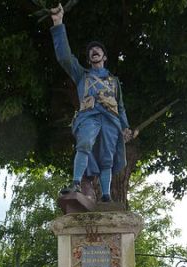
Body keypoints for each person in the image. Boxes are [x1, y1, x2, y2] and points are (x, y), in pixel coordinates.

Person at [50, 3, 134, 202]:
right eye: (91, 50)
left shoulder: (114, 82)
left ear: (104, 56)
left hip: (111, 122)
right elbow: (64, 57)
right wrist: (58, 22)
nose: (94, 51)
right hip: (88, 116)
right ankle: (76, 183)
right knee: (84, 143)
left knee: (107, 159)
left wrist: (126, 127)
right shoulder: (82, 75)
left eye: (98, 49)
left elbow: (120, 108)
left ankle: (106, 196)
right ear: (89, 59)